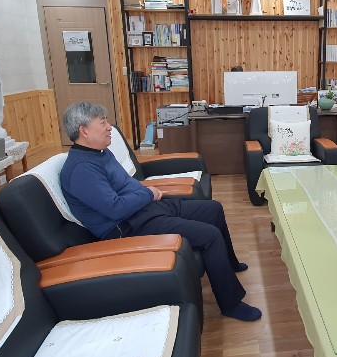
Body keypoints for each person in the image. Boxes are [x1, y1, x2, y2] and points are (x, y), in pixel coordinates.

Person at [59, 102, 262, 322]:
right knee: (210, 235)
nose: (109, 127)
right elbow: (115, 208)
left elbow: (127, 184)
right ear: (84, 131)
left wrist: (148, 194)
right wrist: (148, 194)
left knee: (213, 209)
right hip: (127, 226)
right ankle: (231, 303)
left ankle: (228, 263)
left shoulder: (100, 153)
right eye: (103, 123)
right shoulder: (82, 169)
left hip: (144, 209)